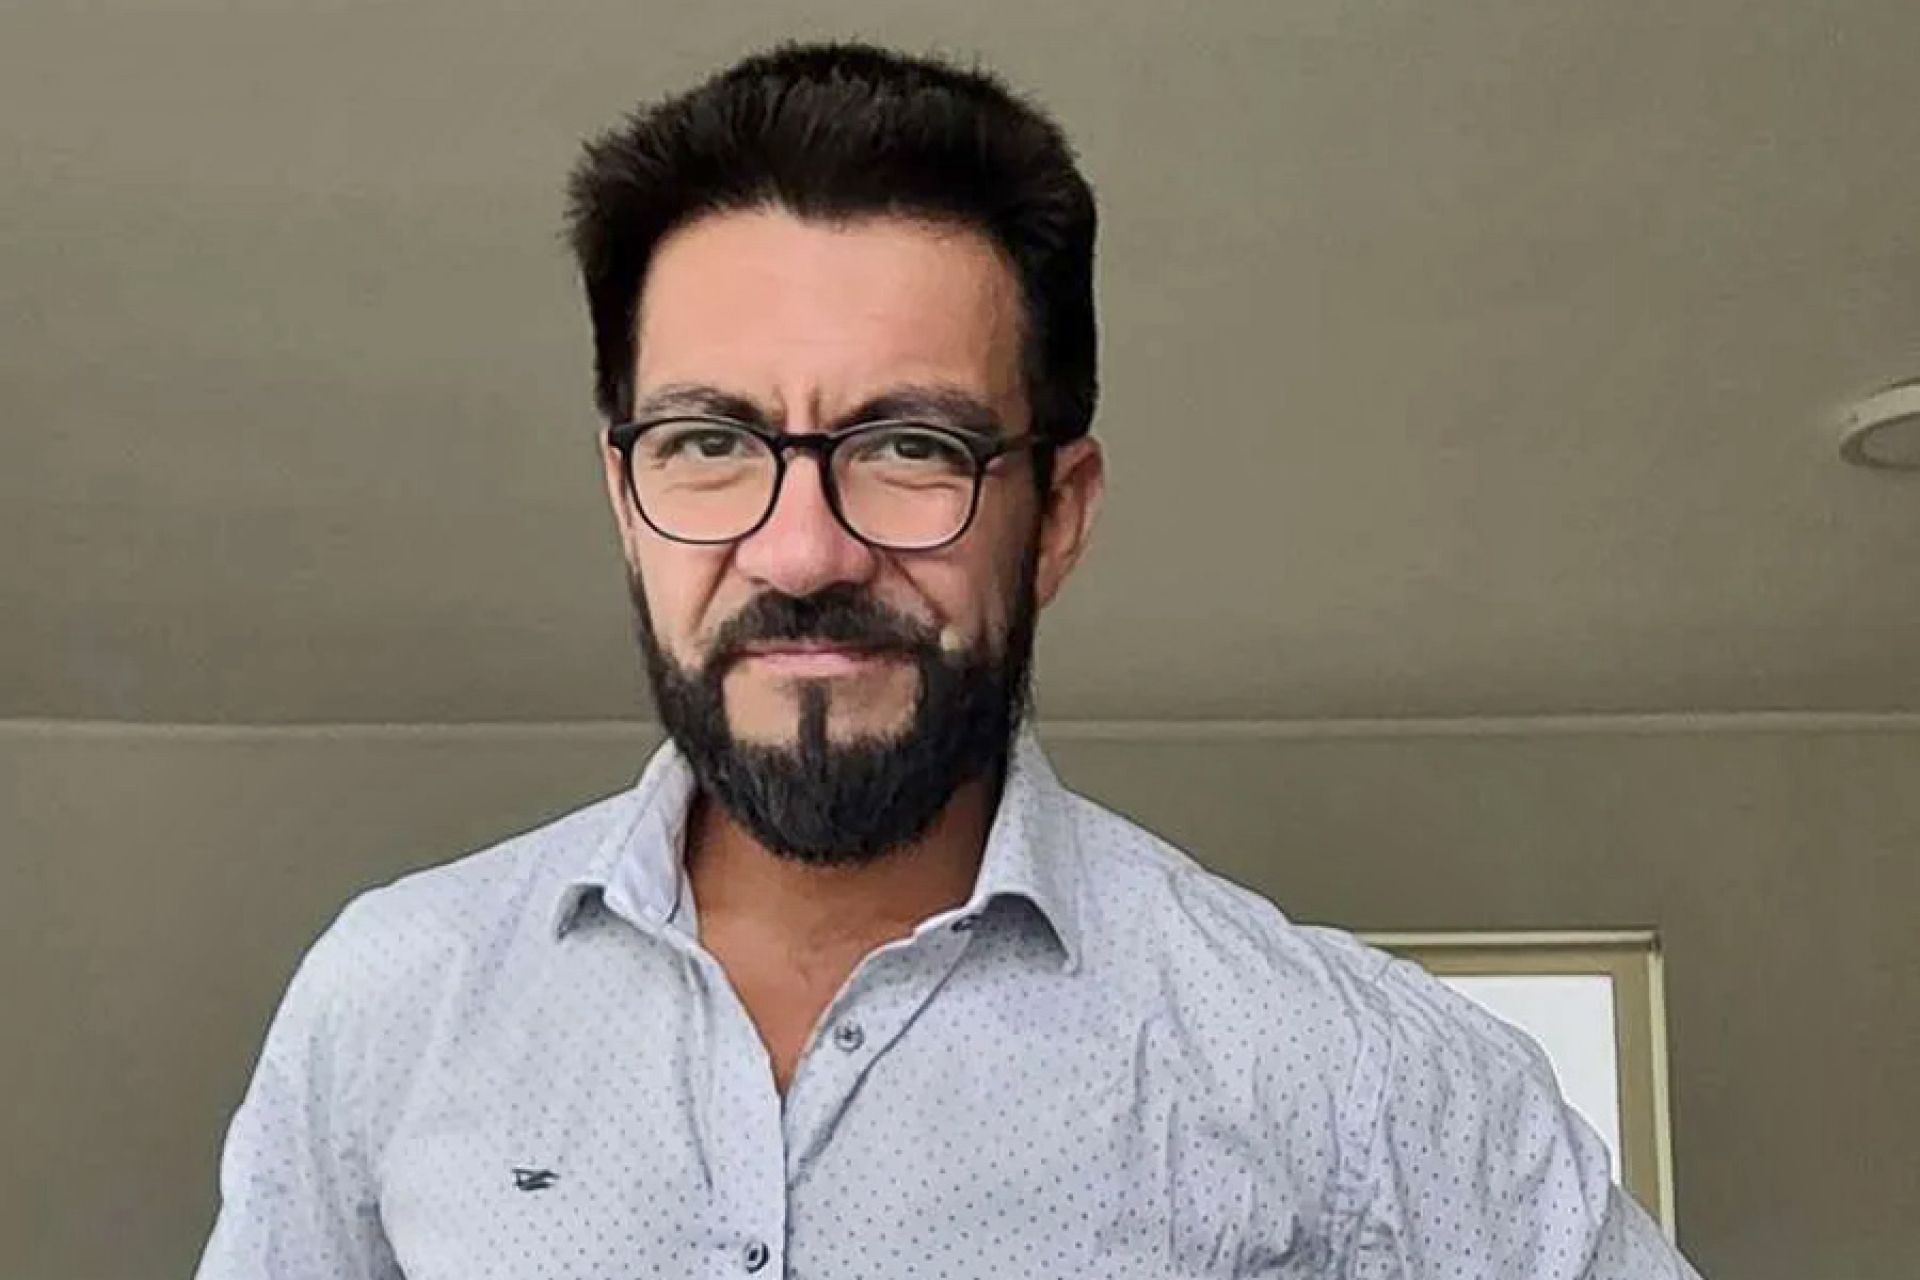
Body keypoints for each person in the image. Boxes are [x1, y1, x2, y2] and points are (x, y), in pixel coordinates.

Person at [195, 41, 1705, 1280]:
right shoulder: (394, 1004)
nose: (801, 552)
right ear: (624, 496)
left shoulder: (1338, 1069)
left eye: (911, 446)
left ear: (1058, 515)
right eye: (710, 443)